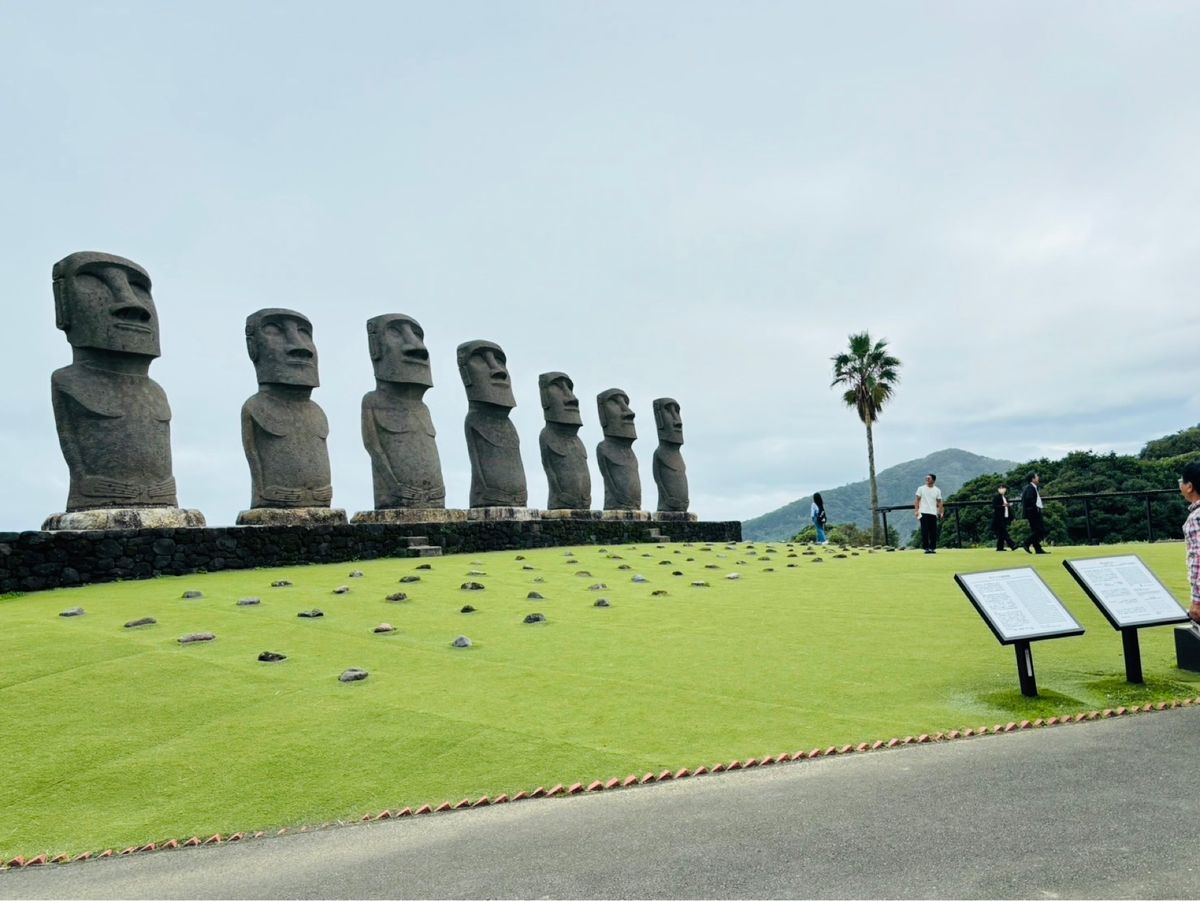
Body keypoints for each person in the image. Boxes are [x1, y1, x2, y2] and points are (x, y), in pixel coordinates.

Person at [1178, 461, 1200, 627]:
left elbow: (1198, 560)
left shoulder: (1195, 518)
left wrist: (1197, 601)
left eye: (1182, 481)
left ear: (1190, 486)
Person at [914, 473, 944, 554]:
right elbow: (917, 500)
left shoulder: (937, 490)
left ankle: (932, 548)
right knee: (924, 531)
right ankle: (926, 548)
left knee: (933, 531)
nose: (927, 479)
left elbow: (940, 501)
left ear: (933, 480)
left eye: (929, 478)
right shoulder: (921, 488)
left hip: (933, 513)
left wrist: (941, 512)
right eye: (926, 478)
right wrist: (916, 510)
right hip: (923, 512)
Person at [1020, 473, 1048, 554]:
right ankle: (1026, 543)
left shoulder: (1033, 487)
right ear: (1033, 479)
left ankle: (1038, 549)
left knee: (1036, 530)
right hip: (1033, 513)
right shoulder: (1030, 488)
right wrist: (1036, 508)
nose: (1038, 478)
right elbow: (1029, 499)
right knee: (1040, 530)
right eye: (1036, 477)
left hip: (1033, 512)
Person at [992, 485, 1018, 551]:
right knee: (1004, 532)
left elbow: (1008, 509)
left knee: (1002, 533)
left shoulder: (1005, 498)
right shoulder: (996, 497)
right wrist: (1003, 505)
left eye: (1003, 488)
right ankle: (1012, 545)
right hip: (998, 518)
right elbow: (995, 506)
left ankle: (999, 547)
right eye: (1000, 488)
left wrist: (1012, 517)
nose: (1002, 489)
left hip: (1005, 517)